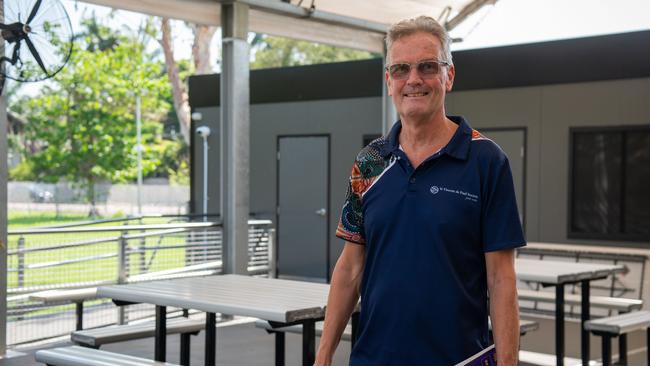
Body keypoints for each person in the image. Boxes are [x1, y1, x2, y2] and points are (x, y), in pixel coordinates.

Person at [314, 16, 526, 366]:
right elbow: (350, 269)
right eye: (400, 69)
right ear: (388, 81)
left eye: (428, 66)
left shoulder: (487, 161)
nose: (413, 80)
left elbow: (501, 279)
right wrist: (322, 358)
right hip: (373, 359)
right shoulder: (369, 162)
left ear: (449, 76)